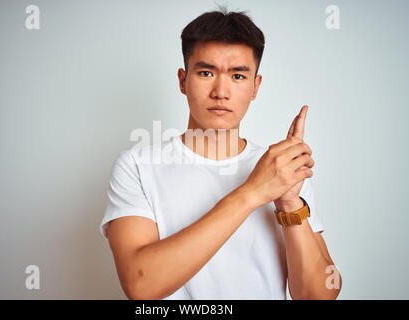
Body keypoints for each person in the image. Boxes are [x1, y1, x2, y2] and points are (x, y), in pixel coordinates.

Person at [100, 6, 342, 300]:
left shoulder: (279, 169)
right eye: (205, 72)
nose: (221, 92)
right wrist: (252, 192)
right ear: (182, 81)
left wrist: (289, 203)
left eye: (238, 76)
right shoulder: (137, 166)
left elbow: (319, 296)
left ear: (256, 86)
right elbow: (141, 285)